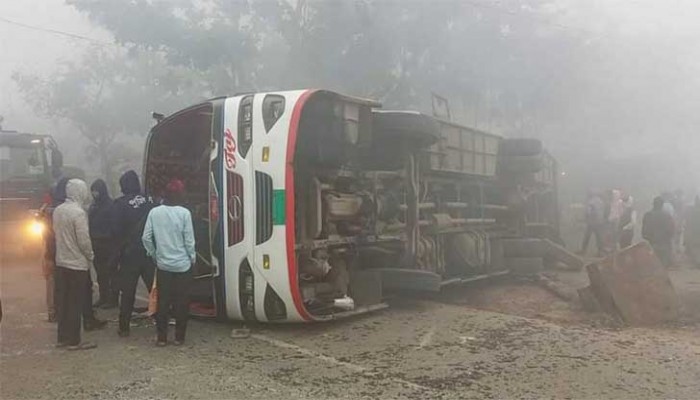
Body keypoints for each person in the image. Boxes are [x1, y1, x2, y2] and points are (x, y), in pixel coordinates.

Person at [142, 179, 195, 346]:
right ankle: (179, 337)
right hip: (182, 265)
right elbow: (189, 241)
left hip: (163, 265)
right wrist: (192, 258)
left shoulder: (154, 212)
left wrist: (154, 255)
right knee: (181, 302)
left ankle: (162, 338)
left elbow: (146, 237)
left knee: (163, 301)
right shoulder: (185, 213)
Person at [53, 179, 98, 350]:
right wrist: (90, 255)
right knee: (75, 303)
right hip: (77, 264)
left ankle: (62, 337)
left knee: (63, 302)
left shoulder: (58, 211)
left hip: (61, 261)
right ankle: (74, 340)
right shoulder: (78, 213)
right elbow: (83, 240)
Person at [113, 170, 156, 337]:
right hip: (149, 252)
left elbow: (116, 230)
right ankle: (162, 323)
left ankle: (124, 327)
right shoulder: (151, 200)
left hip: (129, 254)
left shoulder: (120, 204)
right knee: (154, 289)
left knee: (128, 291)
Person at [89, 179, 117, 308]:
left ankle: (113, 299)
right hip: (96, 244)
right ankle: (103, 297)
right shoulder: (94, 206)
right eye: (93, 191)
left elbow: (114, 226)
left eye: (96, 190)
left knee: (111, 273)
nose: (94, 193)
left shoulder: (110, 205)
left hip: (109, 244)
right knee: (100, 273)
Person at [642, 196, 675, 268]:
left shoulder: (647, 215)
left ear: (653, 204)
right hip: (664, 243)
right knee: (663, 265)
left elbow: (644, 231)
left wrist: (650, 238)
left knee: (652, 265)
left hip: (652, 243)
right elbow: (671, 230)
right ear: (662, 205)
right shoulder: (667, 215)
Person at [580, 191, 606, 256]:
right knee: (599, 237)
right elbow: (604, 211)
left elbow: (589, 212)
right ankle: (600, 251)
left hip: (592, 222)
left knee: (587, 236)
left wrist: (586, 217)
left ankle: (583, 250)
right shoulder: (601, 201)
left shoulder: (591, 202)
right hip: (600, 222)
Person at [684, 196, 700, 268]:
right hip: (695, 231)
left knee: (695, 247)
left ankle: (697, 261)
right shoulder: (691, 210)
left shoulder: (690, 210)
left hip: (693, 232)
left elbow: (688, 222)